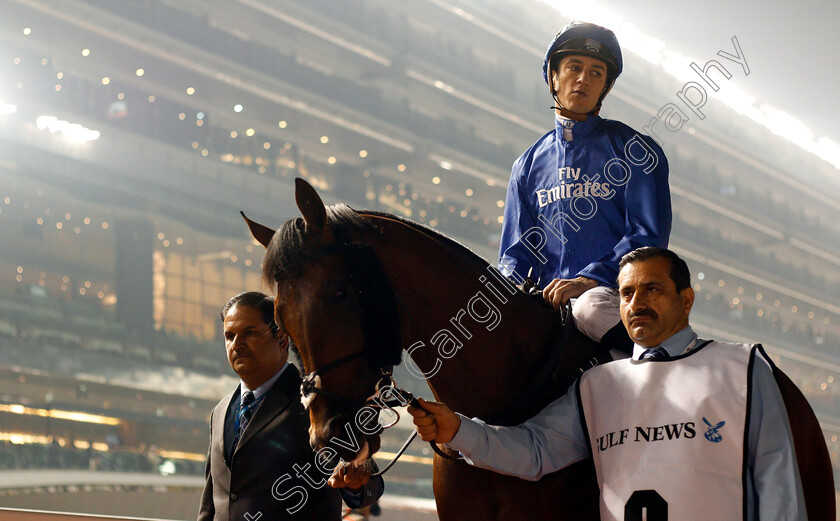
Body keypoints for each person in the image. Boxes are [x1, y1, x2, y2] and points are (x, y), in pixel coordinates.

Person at [409, 247, 807, 520]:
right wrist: (459, 430)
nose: (636, 303)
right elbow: (535, 451)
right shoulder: (596, 386)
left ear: (686, 300)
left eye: (652, 289)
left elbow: (777, 478)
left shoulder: (742, 365)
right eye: (627, 293)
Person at [499, 21, 671, 350]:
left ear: (604, 87)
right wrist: (509, 295)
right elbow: (514, 254)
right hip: (549, 303)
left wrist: (588, 279)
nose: (583, 79)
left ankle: (662, 368)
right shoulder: (526, 165)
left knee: (589, 308)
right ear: (553, 77)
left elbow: (647, 238)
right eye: (574, 67)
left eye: (596, 73)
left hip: (615, 295)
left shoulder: (635, 150)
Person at [198, 292, 383, 521]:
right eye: (229, 336)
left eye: (250, 333)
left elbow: (369, 483)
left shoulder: (318, 403)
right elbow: (210, 504)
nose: (236, 344)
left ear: (282, 339)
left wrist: (356, 481)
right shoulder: (220, 411)